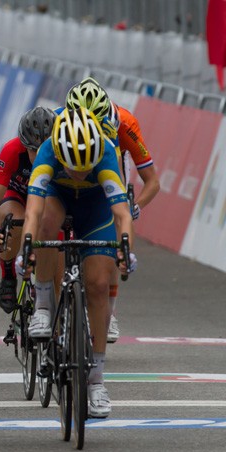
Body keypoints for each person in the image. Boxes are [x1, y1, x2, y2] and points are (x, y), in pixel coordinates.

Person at [20, 107, 135, 419]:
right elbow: (31, 212)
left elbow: (122, 215)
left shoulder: (108, 153)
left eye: (86, 169)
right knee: (45, 222)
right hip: (58, 198)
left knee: (98, 285)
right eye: (73, 167)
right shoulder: (47, 151)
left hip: (96, 208)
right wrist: (27, 248)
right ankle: (44, 304)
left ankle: (96, 380)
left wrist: (125, 250)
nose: (80, 174)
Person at [65, 76, 159, 343]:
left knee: (119, 226)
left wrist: (135, 206)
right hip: (75, 163)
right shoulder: (63, 121)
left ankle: (111, 310)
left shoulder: (126, 123)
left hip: (111, 163)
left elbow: (152, 180)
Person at [0, 106, 55, 313]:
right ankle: (8, 275)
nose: (39, 155)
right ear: (24, 145)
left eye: (45, 150)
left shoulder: (61, 153)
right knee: (14, 220)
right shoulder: (12, 149)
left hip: (46, 196)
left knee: (49, 224)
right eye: (33, 150)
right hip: (18, 196)